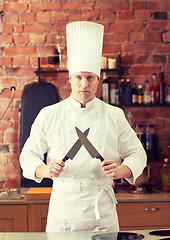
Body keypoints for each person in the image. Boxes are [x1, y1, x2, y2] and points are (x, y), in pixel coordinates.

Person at [20, 21, 147, 232]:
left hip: (102, 215)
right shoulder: (49, 115)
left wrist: (119, 171)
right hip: (63, 215)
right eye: (78, 77)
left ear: (98, 80)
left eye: (90, 78)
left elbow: (138, 155)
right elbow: (27, 157)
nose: (84, 84)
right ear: (70, 79)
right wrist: (46, 169)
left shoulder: (114, 115)